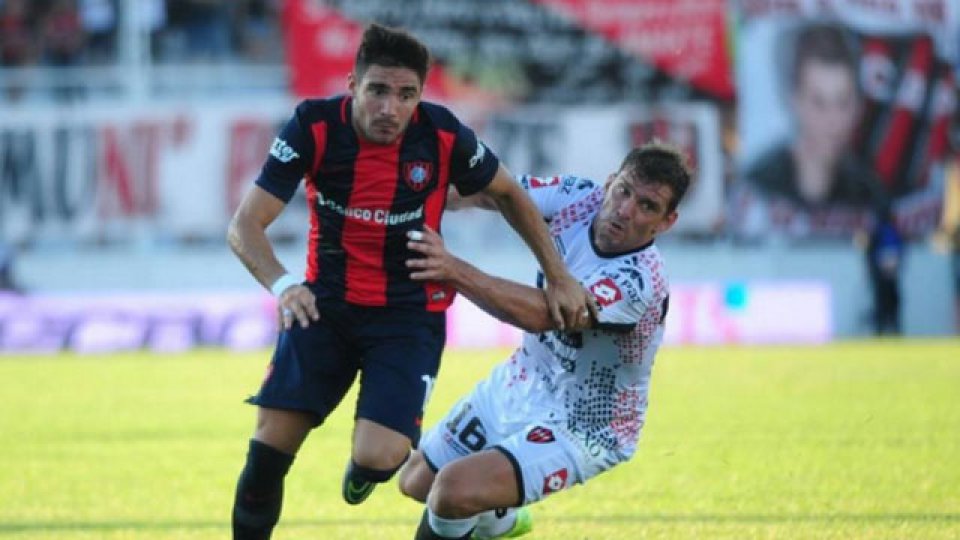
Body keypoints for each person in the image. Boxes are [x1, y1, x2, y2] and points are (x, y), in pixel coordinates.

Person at [226, 23, 592, 540]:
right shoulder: (313, 127)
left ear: (420, 95)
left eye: (405, 95)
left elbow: (509, 192)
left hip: (407, 315)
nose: (389, 108)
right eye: (377, 90)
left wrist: (559, 275)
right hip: (322, 306)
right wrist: (285, 285)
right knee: (266, 456)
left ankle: (371, 472)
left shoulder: (442, 135)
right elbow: (244, 225)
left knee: (380, 459)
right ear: (353, 84)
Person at [398, 141, 692, 539]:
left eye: (647, 206)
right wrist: (429, 195)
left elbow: (541, 314)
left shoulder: (638, 282)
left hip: (586, 425)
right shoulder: (577, 197)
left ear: (666, 222)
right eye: (624, 191)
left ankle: (489, 515)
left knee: (453, 491)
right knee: (416, 481)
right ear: (610, 183)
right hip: (522, 380)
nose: (626, 210)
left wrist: (451, 269)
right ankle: (501, 523)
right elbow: (499, 193)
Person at [740, 23, 884, 234]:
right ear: (795, 101)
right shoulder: (757, 186)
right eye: (819, 102)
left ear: (857, 106)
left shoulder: (871, 194)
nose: (833, 121)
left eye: (842, 102)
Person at [864, 206, 905, 335]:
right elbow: (900, 251)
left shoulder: (880, 231)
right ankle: (889, 329)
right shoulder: (887, 231)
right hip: (888, 274)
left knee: (885, 302)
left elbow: (870, 253)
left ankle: (885, 330)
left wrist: (872, 270)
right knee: (890, 302)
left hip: (885, 274)